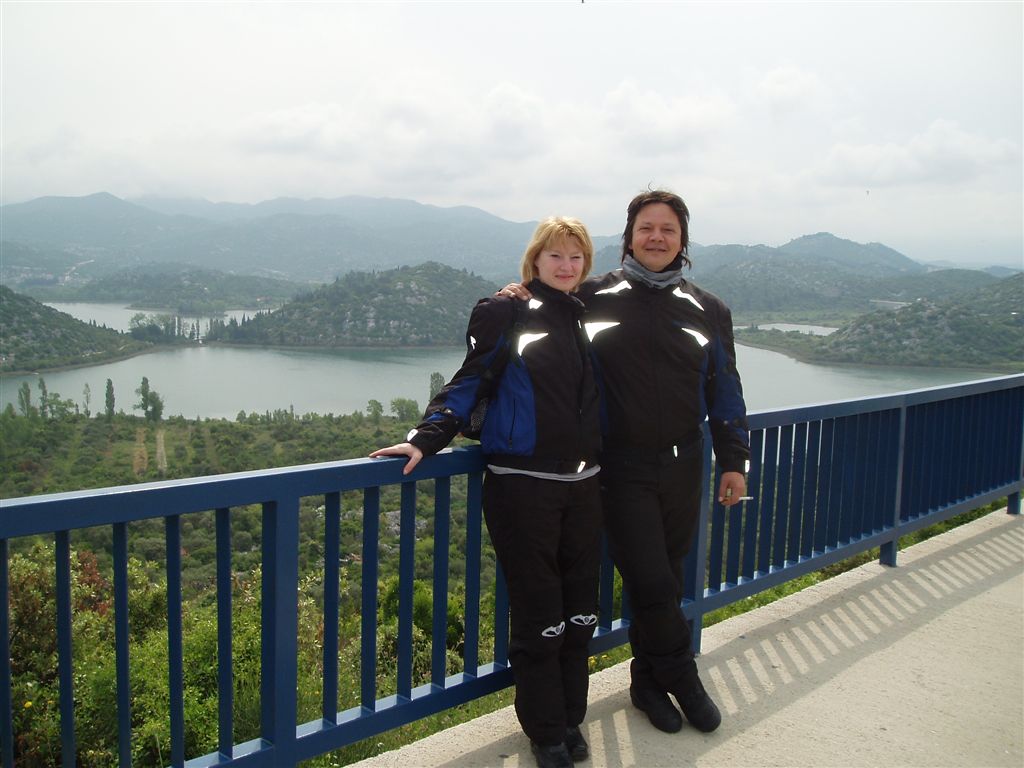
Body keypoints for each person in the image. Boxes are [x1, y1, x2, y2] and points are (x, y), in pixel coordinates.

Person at [500, 190, 750, 736]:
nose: (656, 237)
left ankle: (647, 684)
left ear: (682, 240)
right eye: (646, 228)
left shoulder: (709, 309)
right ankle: (682, 676)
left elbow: (724, 388)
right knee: (652, 579)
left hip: (685, 464)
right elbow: (540, 308)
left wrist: (734, 458)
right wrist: (515, 294)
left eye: (668, 229)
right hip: (619, 467)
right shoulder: (590, 297)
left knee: (664, 580)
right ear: (629, 237)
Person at [370, 217, 603, 768]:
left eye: (576, 257)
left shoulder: (587, 314)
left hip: (584, 485)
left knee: (580, 615)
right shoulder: (507, 311)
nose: (566, 265)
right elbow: (469, 379)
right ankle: (546, 732)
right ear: (535, 260)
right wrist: (425, 438)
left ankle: (571, 719)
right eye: (555, 255)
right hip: (523, 487)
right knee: (541, 616)